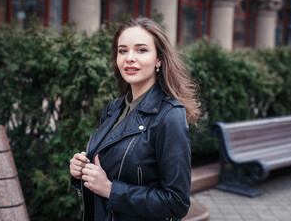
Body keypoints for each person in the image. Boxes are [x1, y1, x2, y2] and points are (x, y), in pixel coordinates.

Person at [69, 17, 201, 221]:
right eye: (123, 50)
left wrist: (111, 190)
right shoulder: (114, 108)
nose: (129, 58)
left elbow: (176, 202)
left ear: (159, 59)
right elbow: (109, 170)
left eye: (141, 50)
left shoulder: (170, 115)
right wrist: (82, 172)